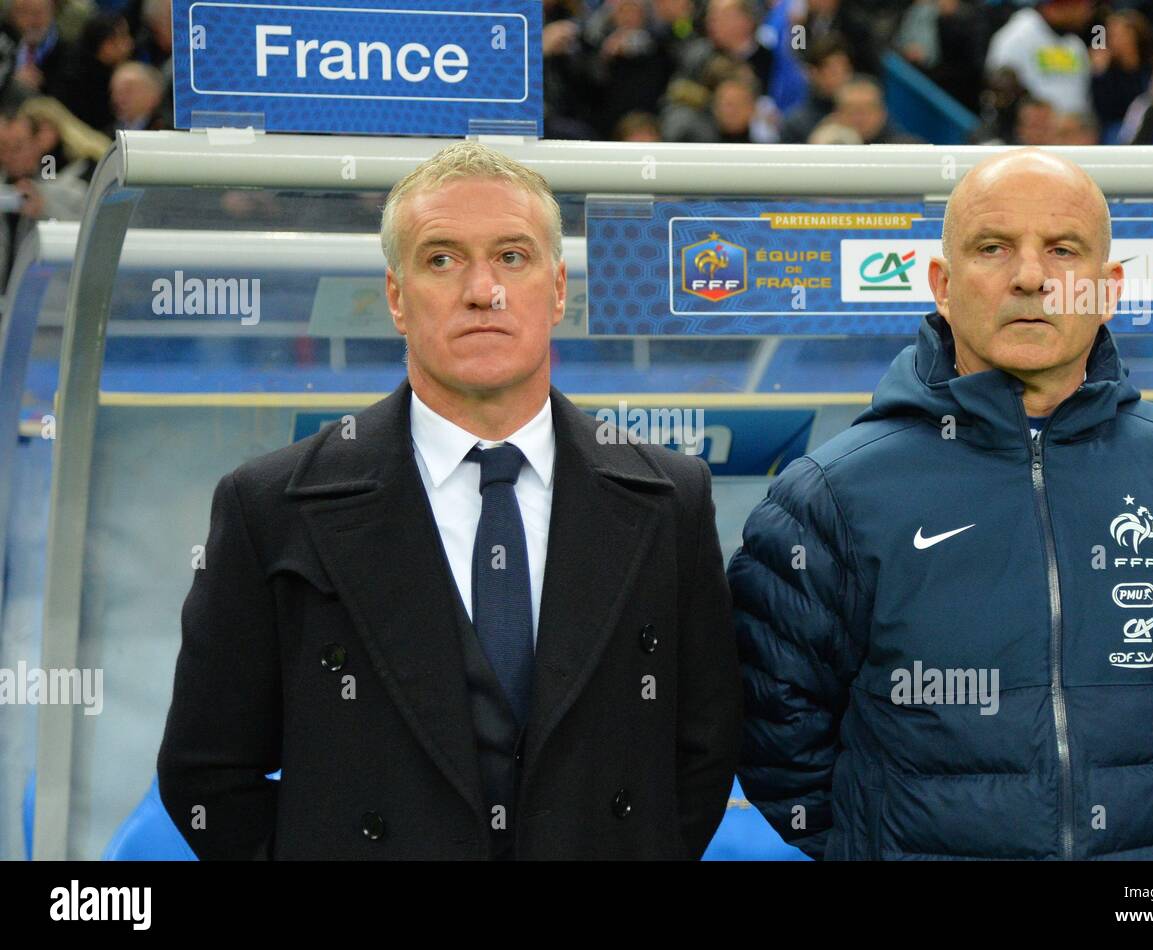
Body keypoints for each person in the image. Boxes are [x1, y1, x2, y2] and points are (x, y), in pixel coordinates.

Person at [157, 141, 742, 860]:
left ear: (558, 290)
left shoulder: (669, 501)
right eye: (441, 259)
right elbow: (206, 773)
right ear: (396, 298)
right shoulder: (272, 507)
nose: (482, 290)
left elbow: (703, 754)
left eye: (513, 258)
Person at [728, 148, 1153, 860]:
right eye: (993, 248)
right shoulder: (829, 496)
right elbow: (777, 732)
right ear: (942, 283)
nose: (1030, 277)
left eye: (1062, 249)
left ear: (1107, 288)